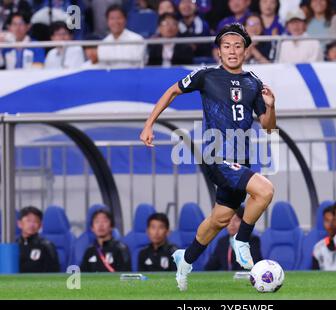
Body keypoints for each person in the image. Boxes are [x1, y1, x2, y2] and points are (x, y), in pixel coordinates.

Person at [140, 23, 276, 291]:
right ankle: (242, 240)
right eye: (227, 46)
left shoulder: (254, 82)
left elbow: (269, 126)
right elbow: (172, 92)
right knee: (265, 190)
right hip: (217, 156)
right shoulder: (206, 76)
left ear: (246, 50)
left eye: (238, 45)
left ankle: (186, 258)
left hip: (241, 159)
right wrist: (148, 124)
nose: (232, 50)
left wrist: (271, 106)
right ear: (219, 51)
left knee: (219, 219)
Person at [80, 208, 131, 272]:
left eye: (105, 221)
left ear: (111, 226)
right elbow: (83, 276)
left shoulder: (121, 249)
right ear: (92, 228)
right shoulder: (89, 251)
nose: (100, 225)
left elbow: (125, 275)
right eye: (97, 221)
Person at [97, 4, 146, 68]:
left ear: (125, 20)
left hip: (133, 76)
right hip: (112, 77)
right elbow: (103, 68)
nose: (116, 22)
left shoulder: (138, 39)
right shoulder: (103, 44)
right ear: (107, 21)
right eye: (112, 18)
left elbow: (141, 65)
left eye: (119, 18)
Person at [17, 206, 60, 273]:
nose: (31, 224)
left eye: (35, 221)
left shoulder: (47, 246)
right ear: (19, 224)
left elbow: (53, 273)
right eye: (28, 221)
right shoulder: (12, 245)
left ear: (40, 225)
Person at [312, 205, 336, 271]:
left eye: (334, 220)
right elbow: (315, 274)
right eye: (327, 220)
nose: (330, 224)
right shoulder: (318, 248)